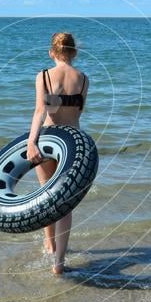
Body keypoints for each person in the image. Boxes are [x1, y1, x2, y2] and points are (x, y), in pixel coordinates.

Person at [27, 31, 89, 275]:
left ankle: (49, 244)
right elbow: (78, 114)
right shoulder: (83, 79)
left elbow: (40, 111)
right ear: (74, 53)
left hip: (49, 140)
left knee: (46, 195)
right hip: (73, 143)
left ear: (52, 52)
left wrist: (32, 142)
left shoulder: (44, 76)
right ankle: (59, 263)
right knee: (65, 204)